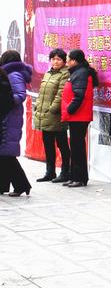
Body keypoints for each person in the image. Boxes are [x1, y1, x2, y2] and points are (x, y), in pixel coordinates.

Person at [61, 49, 98, 188]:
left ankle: (80, 178)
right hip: (76, 116)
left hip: (79, 116)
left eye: (68, 59)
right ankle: (74, 177)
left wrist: (69, 109)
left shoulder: (81, 73)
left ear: (74, 61)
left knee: (78, 148)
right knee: (75, 147)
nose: (66, 62)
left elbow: (79, 95)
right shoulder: (78, 72)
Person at [32, 48, 70, 183]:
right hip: (44, 115)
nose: (55, 62)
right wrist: (38, 107)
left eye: (58, 59)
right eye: (53, 59)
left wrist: (51, 109)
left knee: (62, 145)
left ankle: (65, 172)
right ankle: (50, 172)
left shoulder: (65, 74)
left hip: (56, 115)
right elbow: (42, 93)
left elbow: (61, 94)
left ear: (64, 61)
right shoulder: (48, 73)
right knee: (48, 145)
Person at [0, 51, 33, 197]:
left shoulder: (13, 74)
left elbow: (20, 95)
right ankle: (3, 185)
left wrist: (5, 101)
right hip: (7, 115)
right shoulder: (9, 73)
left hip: (10, 117)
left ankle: (22, 185)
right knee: (4, 154)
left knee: (6, 154)